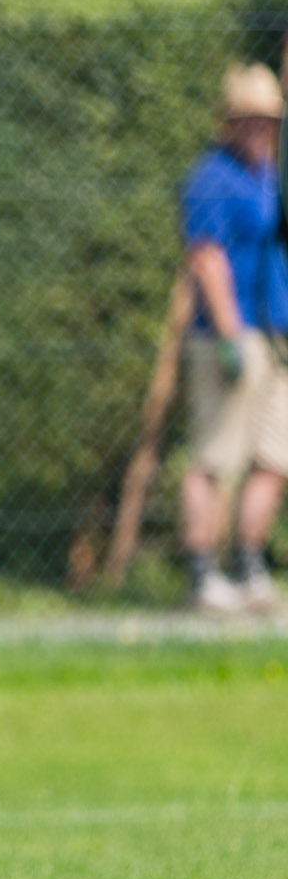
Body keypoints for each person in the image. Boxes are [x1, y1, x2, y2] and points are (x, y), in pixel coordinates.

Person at [177, 61, 288, 613]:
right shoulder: (211, 179)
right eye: (248, 120)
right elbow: (206, 257)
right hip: (231, 334)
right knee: (217, 456)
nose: (259, 129)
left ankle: (249, 566)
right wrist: (227, 335)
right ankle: (202, 574)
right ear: (229, 122)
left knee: (274, 457)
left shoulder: (271, 177)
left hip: (277, 336)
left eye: (266, 120)